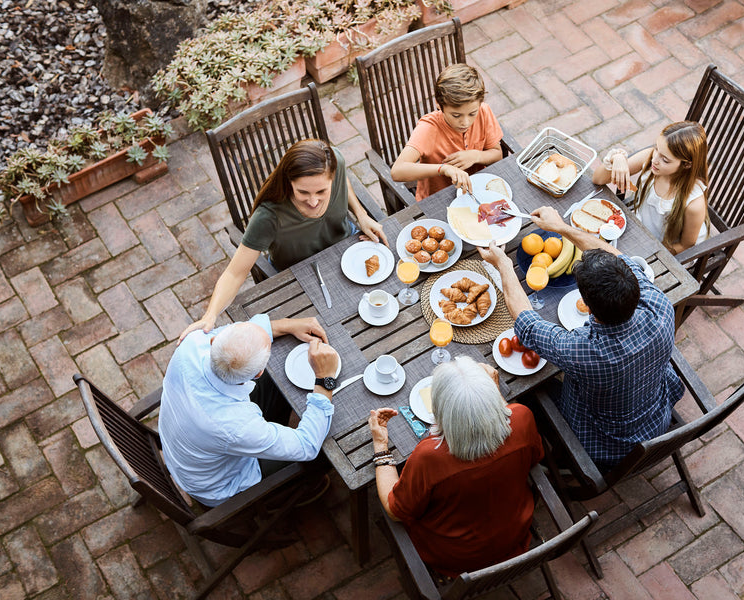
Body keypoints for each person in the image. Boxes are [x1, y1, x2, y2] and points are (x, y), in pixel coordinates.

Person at [478, 207, 684, 473]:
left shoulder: (586, 351)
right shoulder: (658, 303)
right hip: (657, 415)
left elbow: (525, 322)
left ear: (586, 304)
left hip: (608, 444)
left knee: (529, 393)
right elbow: (616, 257)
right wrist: (562, 227)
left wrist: (503, 264)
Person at [179, 139, 388, 342]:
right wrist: (210, 316)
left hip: (347, 252)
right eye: (303, 192)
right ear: (289, 183)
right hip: (299, 278)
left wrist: (361, 214)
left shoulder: (336, 161)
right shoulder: (268, 216)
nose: (313, 201)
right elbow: (235, 273)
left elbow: (343, 182)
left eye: (322, 191)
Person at [368, 356, 543, 576]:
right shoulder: (523, 418)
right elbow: (534, 455)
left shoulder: (429, 457)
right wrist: (494, 399)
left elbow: (395, 512)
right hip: (513, 536)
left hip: (455, 558)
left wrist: (380, 444)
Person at [159, 313, 338, 507]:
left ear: (214, 340)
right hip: (221, 485)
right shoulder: (235, 425)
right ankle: (295, 493)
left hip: (187, 448)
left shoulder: (191, 343)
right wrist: (324, 378)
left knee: (279, 380)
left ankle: (274, 431)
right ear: (258, 373)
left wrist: (288, 325)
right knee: (327, 452)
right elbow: (307, 446)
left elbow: (241, 337)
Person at [593, 121, 711, 254]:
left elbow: (686, 245)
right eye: (656, 148)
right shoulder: (650, 158)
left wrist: (649, 253)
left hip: (665, 248)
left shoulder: (694, 203)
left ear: (686, 165)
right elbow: (598, 179)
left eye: (665, 160)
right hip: (641, 227)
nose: (655, 159)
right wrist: (617, 158)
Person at [391, 63, 503, 201]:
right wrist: (443, 169)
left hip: (478, 191)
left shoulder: (484, 111)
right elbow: (397, 171)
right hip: (438, 199)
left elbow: (497, 154)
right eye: (456, 115)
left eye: (472, 113)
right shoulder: (429, 128)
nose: (465, 122)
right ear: (439, 104)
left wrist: (476, 156)